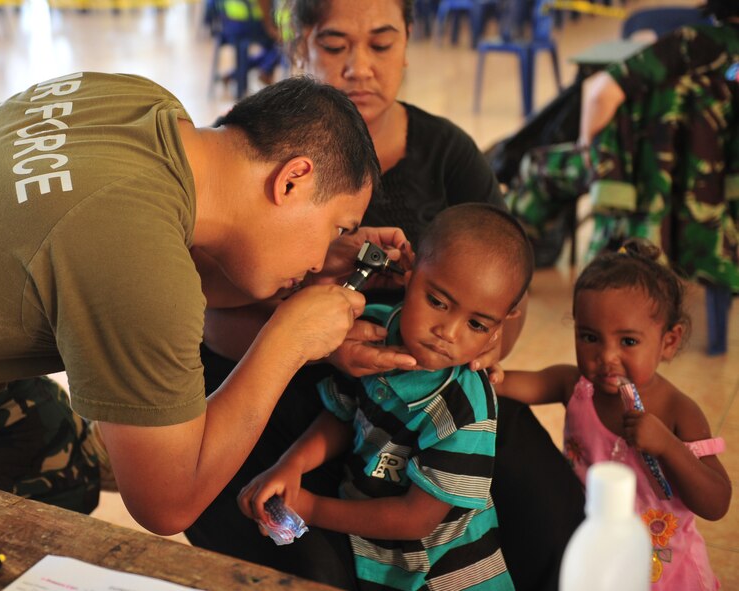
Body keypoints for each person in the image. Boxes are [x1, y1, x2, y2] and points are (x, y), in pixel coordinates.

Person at [187, 2, 586, 590]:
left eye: (380, 44)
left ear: (407, 43)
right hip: (271, 399)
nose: (359, 68)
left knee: (546, 504)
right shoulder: (251, 149)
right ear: (299, 44)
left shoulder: (448, 155)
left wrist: (460, 348)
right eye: (334, 45)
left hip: (420, 398)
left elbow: (509, 301)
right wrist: (318, 345)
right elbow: (205, 316)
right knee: (302, 556)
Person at [0, 73, 399, 534]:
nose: (321, 259)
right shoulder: (133, 256)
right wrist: (288, 341)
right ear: (293, 180)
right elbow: (167, 506)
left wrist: (301, 273)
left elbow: (150, 266)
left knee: (60, 455)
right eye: (338, 227)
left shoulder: (142, 104)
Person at [239, 204, 530, 591]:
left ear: (498, 328)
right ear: (410, 277)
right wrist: (291, 464)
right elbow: (345, 414)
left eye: (476, 324)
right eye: (438, 302)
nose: (448, 331)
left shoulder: (465, 411)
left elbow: (415, 520)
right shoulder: (374, 331)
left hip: (444, 574)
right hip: (381, 559)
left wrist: (310, 508)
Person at [495, 238, 732, 590]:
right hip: (593, 554)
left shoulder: (677, 411)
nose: (606, 356)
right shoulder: (574, 385)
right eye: (590, 337)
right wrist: (484, 365)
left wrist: (667, 446)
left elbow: (717, 502)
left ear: (668, 341)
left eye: (628, 342)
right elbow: (507, 385)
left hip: (664, 570)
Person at [506, 0, 739, 354]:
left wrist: (588, 148)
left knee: (536, 166)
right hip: (716, 198)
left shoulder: (690, 43)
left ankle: (514, 264)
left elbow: (602, 91)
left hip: (640, 187)